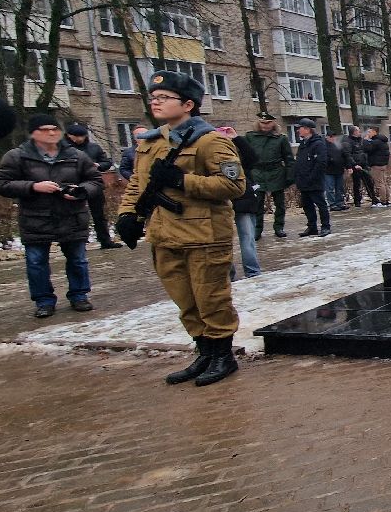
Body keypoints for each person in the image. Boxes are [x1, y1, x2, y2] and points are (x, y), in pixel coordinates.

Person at [115, 71, 246, 386]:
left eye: (164, 98)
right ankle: (204, 352)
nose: (156, 103)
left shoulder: (211, 141)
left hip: (204, 236)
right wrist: (127, 214)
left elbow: (233, 184)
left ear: (188, 104)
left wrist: (181, 180)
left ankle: (222, 356)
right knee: (185, 301)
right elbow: (137, 184)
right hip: (164, 234)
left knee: (211, 298)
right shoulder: (151, 142)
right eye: (153, 98)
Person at [0, 114, 104, 316]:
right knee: (36, 262)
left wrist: (81, 191)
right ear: (33, 133)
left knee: (78, 260)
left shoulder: (76, 155)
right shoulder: (17, 156)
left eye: (55, 129)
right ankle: (44, 301)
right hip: (36, 218)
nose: (51, 133)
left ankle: (79, 296)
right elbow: (1, 184)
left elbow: (95, 180)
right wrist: (33, 186)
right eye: (45, 129)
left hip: (72, 216)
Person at [64, 123, 124, 249]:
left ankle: (105, 240)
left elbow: (107, 162)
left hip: (93, 183)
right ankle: (76, 242)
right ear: (69, 135)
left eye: (82, 136)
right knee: (73, 215)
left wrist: (99, 165)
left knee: (99, 214)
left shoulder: (94, 148)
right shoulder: (62, 148)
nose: (79, 139)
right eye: (76, 136)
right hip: (72, 183)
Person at [216, 125, 262, 280]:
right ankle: (231, 274)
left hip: (243, 198)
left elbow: (253, 159)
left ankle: (253, 272)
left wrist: (236, 138)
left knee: (247, 237)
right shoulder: (210, 151)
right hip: (222, 200)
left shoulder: (236, 149)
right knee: (224, 240)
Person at [242, 111, 294, 239]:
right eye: (262, 123)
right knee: (257, 203)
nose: (265, 126)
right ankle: (257, 230)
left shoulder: (280, 138)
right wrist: (246, 174)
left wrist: (290, 175)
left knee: (280, 204)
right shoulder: (250, 137)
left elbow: (288, 158)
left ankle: (279, 227)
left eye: (268, 123)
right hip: (258, 173)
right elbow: (244, 156)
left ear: (273, 123)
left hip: (276, 172)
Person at [292, 118, 331, 236]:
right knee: (307, 205)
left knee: (320, 204)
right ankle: (312, 227)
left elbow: (321, 163)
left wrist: (312, 178)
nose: (298, 130)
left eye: (300, 128)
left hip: (314, 181)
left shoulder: (318, 144)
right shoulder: (303, 144)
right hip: (303, 181)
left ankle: (325, 226)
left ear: (308, 129)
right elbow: (300, 161)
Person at [344, 125, 378, 206]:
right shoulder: (348, 142)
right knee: (357, 184)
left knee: (369, 182)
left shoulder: (361, 140)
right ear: (354, 132)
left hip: (364, 164)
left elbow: (366, 150)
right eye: (358, 131)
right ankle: (357, 201)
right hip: (356, 165)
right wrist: (354, 165)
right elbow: (347, 155)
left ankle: (373, 198)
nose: (360, 132)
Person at [363, 125, 390, 206]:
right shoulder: (382, 140)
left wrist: (365, 140)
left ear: (375, 132)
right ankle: (387, 200)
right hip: (383, 164)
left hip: (377, 165)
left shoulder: (376, 141)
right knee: (384, 183)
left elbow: (367, 148)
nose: (368, 133)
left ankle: (383, 201)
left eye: (369, 132)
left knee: (379, 184)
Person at [323, 130, 349, 211]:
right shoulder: (323, 146)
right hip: (328, 171)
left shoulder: (338, 145)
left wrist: (349, 166)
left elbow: (345, 155)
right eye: (331, 137)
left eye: (334, 137)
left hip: (339, 169)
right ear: (327, 137)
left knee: (339, 188)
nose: (333, 138)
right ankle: (332, 204)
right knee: (330, 188)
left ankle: (340, 203)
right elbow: (323, 157)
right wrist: (330, 159)